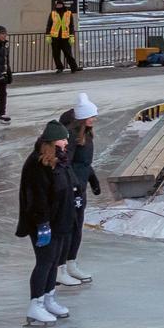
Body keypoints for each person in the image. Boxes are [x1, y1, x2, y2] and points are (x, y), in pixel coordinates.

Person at [16, 124, 73, 326]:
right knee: (45, 261)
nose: (66, 142)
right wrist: (42, 223)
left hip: (60, 220)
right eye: (63, 139)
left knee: (54, 260)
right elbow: (36, 197)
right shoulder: (37, 163)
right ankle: (36, 304)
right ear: (52, 141)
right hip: (43, 222)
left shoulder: (60, 159)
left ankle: (49, 298)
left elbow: (67, 184)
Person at [54, 93, 102, 287]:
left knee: (77, 227)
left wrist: (92, 179)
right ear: (82, 117)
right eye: (91, 116)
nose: (94, 119)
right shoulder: (72, 136)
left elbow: (84, 163)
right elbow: (66, 164)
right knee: (68, 227)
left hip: (79, 187)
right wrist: (73, 185)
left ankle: (70, 263)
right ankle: (60, 268)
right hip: (70, 189)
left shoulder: (86, 134)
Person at [47, 0, 79, 73]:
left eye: (60, 5)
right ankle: (59, 67)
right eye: (57, 5)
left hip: (65, 37)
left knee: (68, 53)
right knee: (56, 54)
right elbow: (49, 25)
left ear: (63, 5)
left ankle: (74, 67)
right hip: (55, 37)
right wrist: (48, 35)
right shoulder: (53, 13)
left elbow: (71, 26)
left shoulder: (68, 13)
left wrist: (71, 36)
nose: (59, 6)